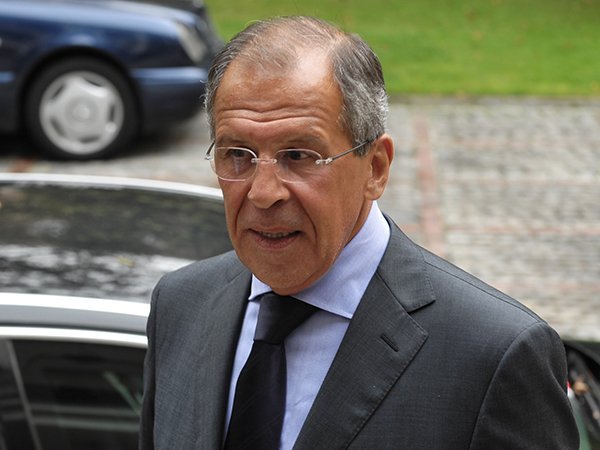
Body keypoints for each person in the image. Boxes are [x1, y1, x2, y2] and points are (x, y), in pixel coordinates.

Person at [140, 16, 579, 449]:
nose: (263, 193)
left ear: (376, 168)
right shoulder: (180, 305)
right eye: (238, 154)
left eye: (299, 155)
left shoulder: (494, 355)